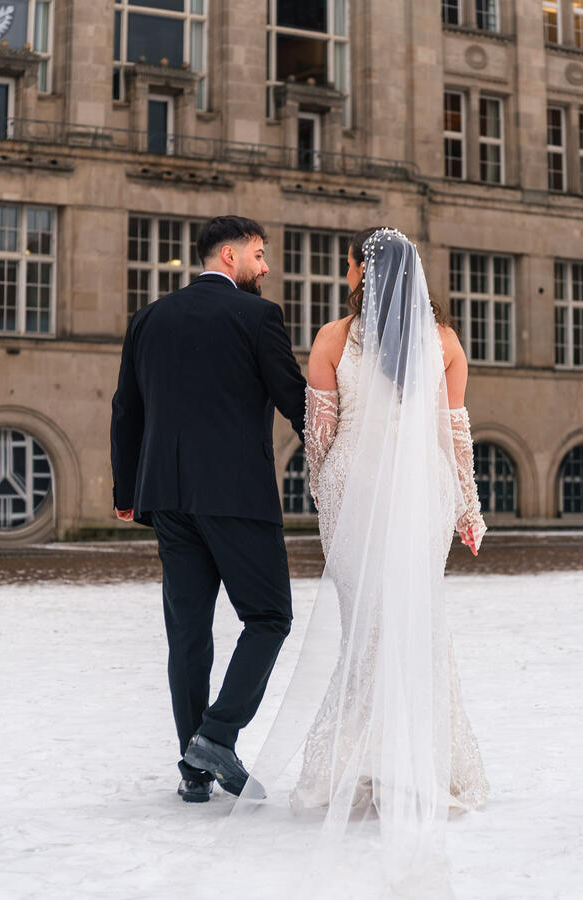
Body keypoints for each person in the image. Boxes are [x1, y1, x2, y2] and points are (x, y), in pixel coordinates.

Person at [229, 226, 488, 899]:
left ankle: (362, 764)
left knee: (363, 625)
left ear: (361, 271)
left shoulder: (332, 338)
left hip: (357, 489)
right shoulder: (447, 344)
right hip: (424, 494)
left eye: (349, 266)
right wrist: (468, 509)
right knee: (412, 620)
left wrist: (328, 498)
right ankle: (414, 763)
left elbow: (320, 435)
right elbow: (454, 434)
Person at [110, 215, 306, 804]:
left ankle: (193, 768)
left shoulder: (147, 318)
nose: (265, 267)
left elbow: (126, 411)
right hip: (238, 496)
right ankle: (217, 736)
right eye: (259, 254)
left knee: (188, 634)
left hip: (166, 497)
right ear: (228, 255)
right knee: (269, 616)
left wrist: (127, 493)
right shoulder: (258, 317)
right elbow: (295, 400)